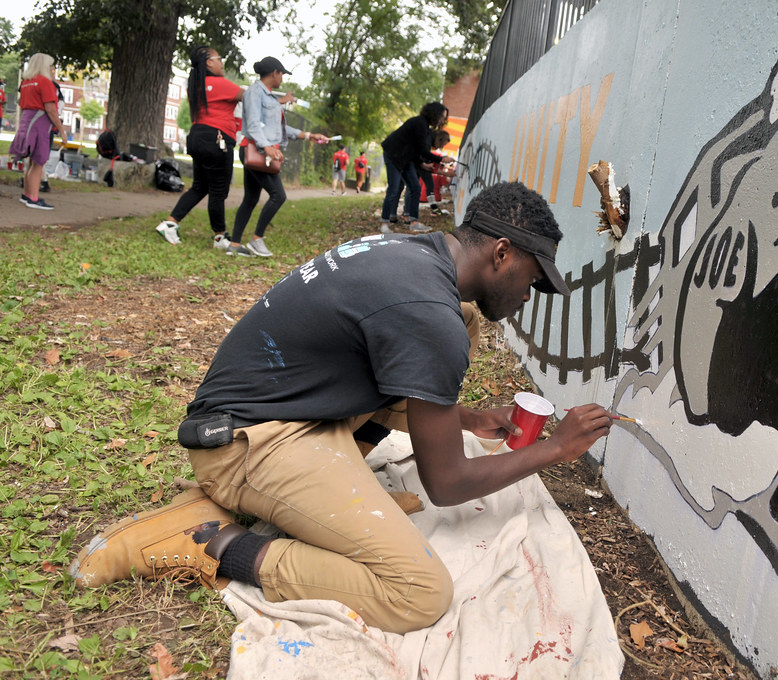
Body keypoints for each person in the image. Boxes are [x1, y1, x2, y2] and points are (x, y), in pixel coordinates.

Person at [70, 181, 612, 635]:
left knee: (462, 322)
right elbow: (446, 484)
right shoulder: (429, 315)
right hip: (247, 445)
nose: (529, 295)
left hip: (286, 409)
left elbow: (397, 359)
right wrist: (555, 450)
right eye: (533, 281)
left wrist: (468, 418)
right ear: (501, 254)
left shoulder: (415, 254)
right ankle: (209, 542)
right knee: (419, 593)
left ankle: (340, 480)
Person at [228, 57, 327, 257]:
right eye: (282, 74)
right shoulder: (255, 92)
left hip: (260, 151)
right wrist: (267, 147)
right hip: (257, 151)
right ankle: (257, 239)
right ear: (275, 73)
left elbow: (281, 128)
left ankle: (234, 245)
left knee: (250, 198)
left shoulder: (270, 97)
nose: (282, 78)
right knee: (278, 195)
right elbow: (254, 124)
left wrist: (309, 136)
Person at [154, 46, 243, 247]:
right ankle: (220, 236)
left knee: (200, 186)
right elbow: (251, 98)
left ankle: (170, 223)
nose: (222, 63)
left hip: (197, 136)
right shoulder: (221, 84)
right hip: (217, 138)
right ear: (209, 63)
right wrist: (281, 100)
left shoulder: (195, 85)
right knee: (218, 191)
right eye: (219, 59)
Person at [9, 53, 67, 210]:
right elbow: (51, 109)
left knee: (31, 161)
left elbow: (21, 102)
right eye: (50, 65)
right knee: (39, 161)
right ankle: (33, 198)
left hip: (27, 122)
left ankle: (27, 194)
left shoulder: (26, 82)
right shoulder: (45, 82)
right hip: (40, 124)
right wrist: (61, 130)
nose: (52, 68)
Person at [380, 101, 448, 233]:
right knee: (394, 188)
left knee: (415, 187)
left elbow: (415, 150)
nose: (443, 120)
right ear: (435, 114)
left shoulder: (424, 126)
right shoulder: (419, 123)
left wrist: (422, 164)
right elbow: (422, 151)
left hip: (406, 157)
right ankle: (384, 222)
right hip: (393, 155)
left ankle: (414, 221)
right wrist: (441, 159)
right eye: (442, 117)